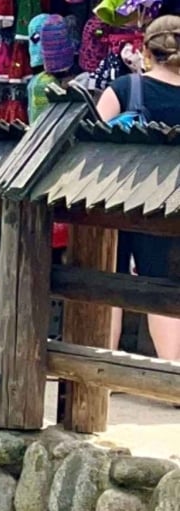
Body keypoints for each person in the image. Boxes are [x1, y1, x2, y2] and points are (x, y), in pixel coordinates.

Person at [96, 16, 180, 362]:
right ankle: (174, 378)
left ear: (146, 50)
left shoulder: (125, 88)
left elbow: (92, 139)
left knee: (110, 283)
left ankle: (102, 373)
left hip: (120, 199)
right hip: (171, 203)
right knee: (162, 287)